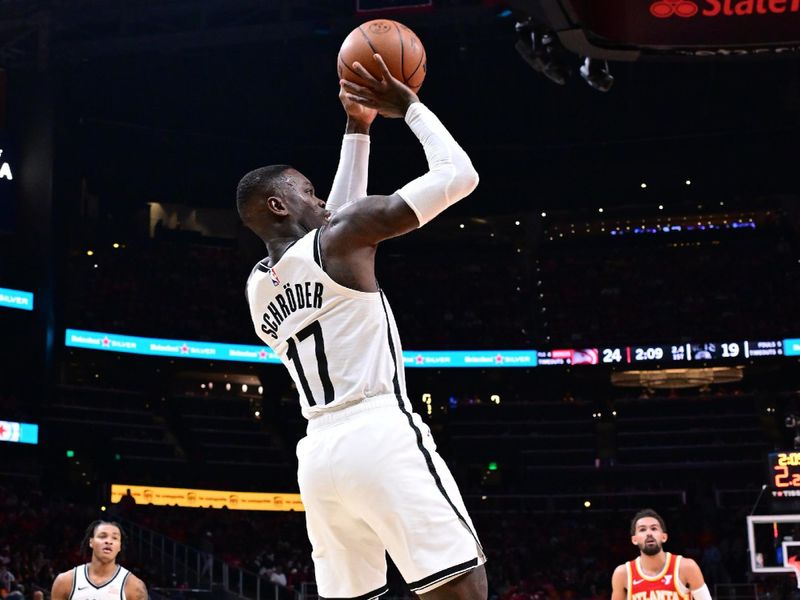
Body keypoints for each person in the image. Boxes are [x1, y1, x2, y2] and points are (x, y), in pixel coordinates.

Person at [237, 53, 485, 600]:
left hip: (319, 457)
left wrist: (357, 126)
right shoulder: (339, 239)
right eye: (306, 190)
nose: (319, 196)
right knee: (462, 587)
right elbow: (459, 176)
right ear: (278, 204)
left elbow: (332, 223)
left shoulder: (258, 288)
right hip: (378, 430)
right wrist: (412, 108)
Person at [611, 509, 711, 600]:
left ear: (664, 537)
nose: (649, 533)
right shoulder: (623, 574)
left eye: (654, 528)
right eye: (642, 529)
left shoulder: (687, 567)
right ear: (634, 540)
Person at [50, 520, 147, 600]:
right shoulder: (65, 581)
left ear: (120, 546)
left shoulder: (134, 586)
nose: (109, 541)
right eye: (102, 536)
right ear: (91, 542)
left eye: (115, 538)